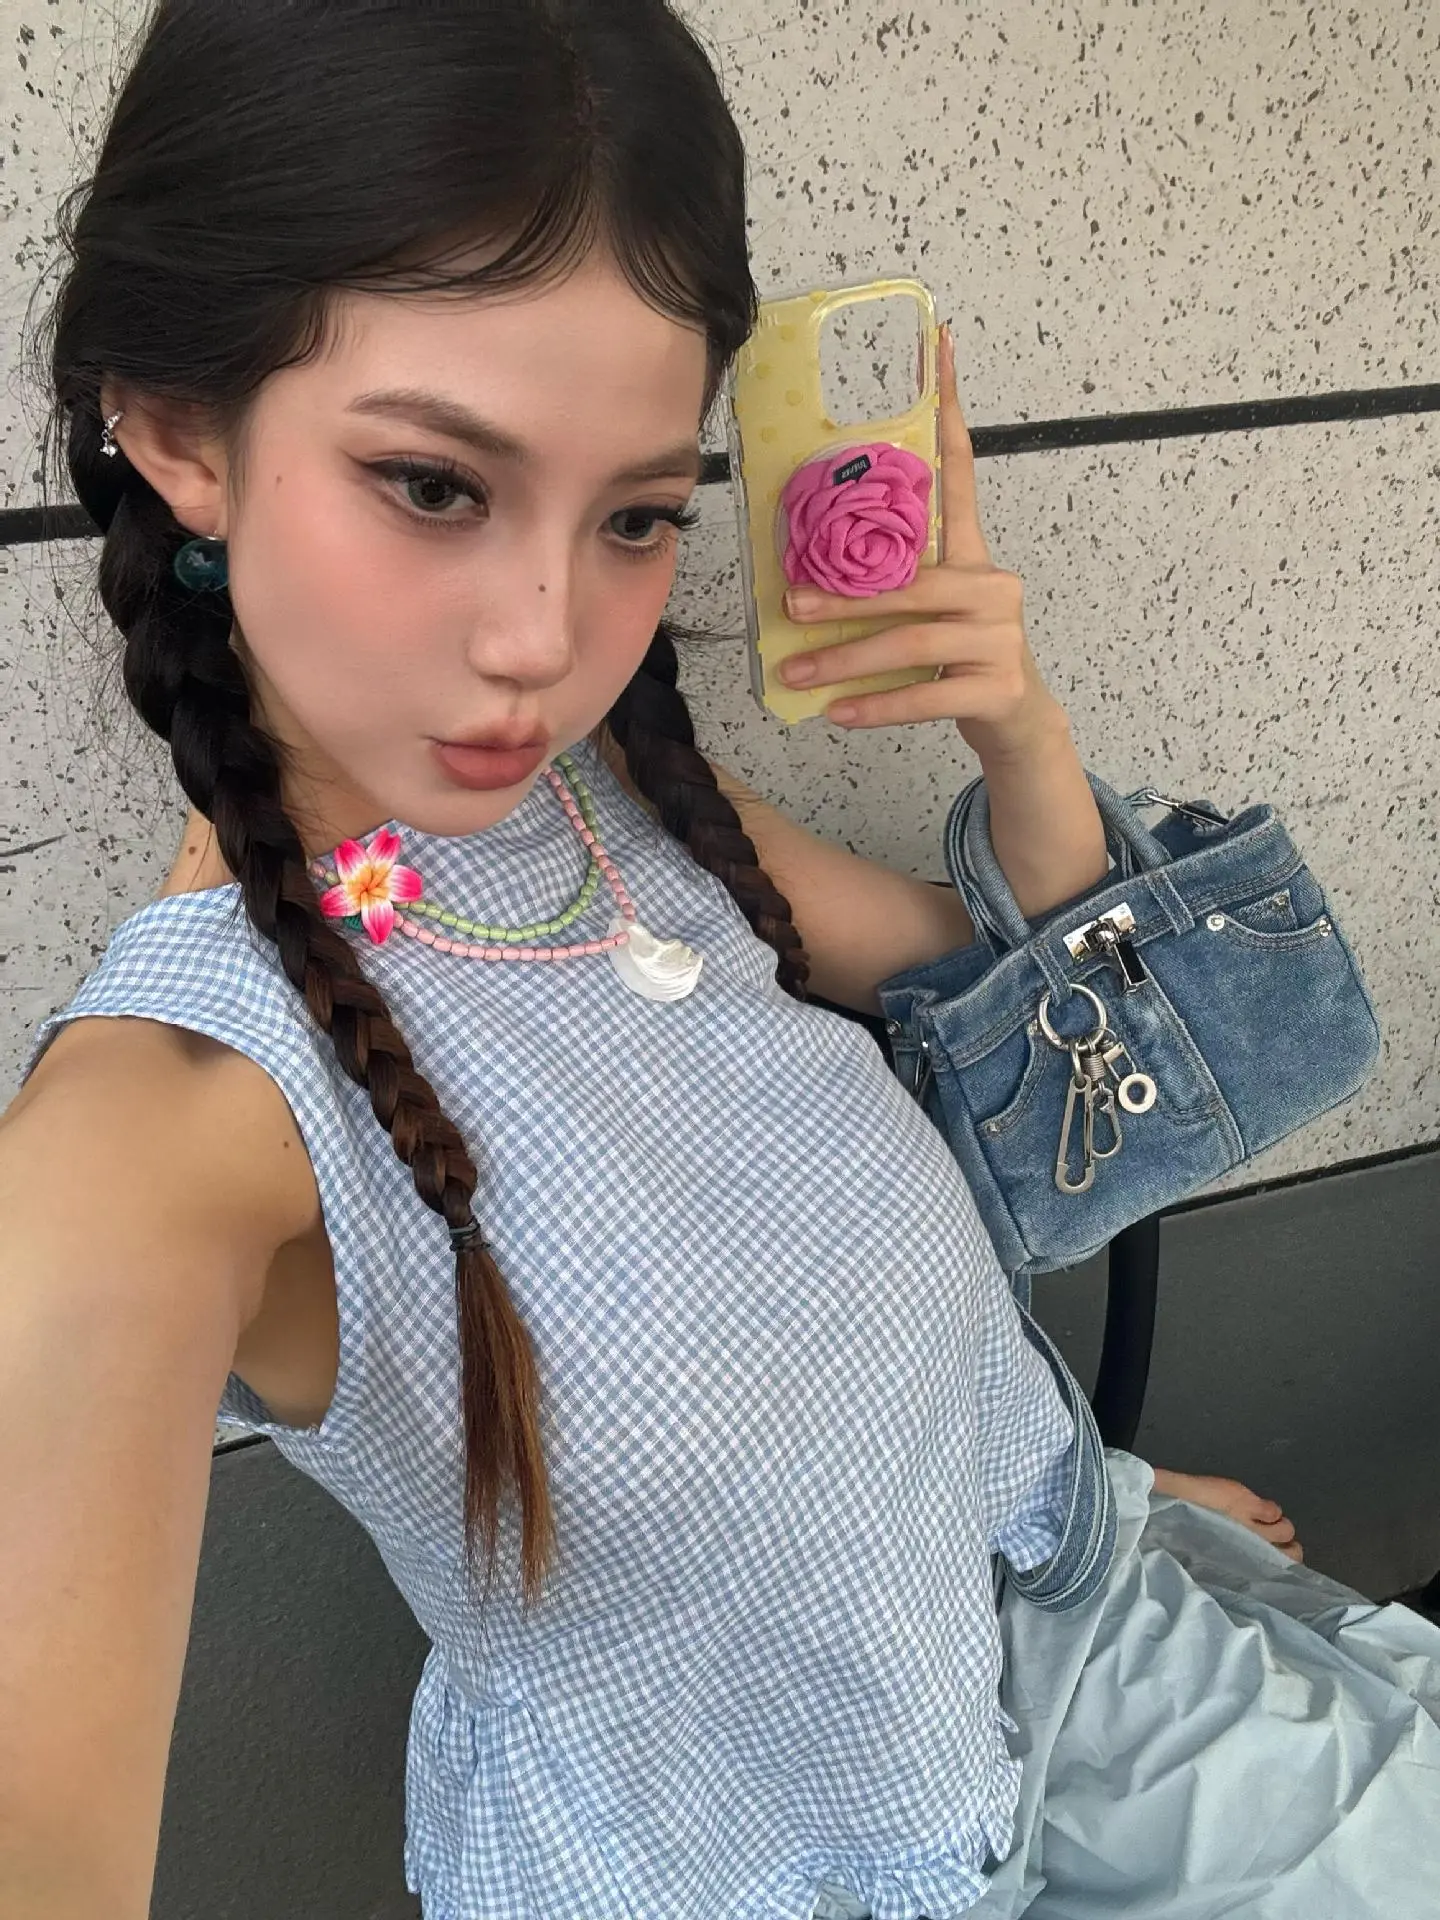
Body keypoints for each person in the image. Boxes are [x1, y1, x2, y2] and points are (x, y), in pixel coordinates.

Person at [2, 4, 1437, 1917]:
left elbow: (1073, 1045)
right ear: (181, 430)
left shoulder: (619, 815)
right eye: (435, 484)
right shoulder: (172, 1120)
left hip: (1101, 1654)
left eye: (635, 518)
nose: (543, 637)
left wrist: (1020, 740)